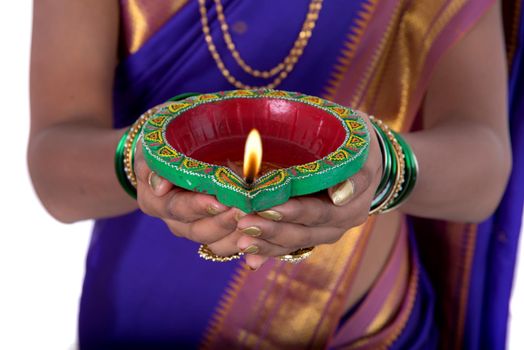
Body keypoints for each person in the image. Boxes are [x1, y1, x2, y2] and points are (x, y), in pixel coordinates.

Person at [28, 0, 522, 348]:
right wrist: (142, 159)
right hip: (145, 320)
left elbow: (482, 168)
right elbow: (56, 170)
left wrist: (383, 167)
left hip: (364, 327)